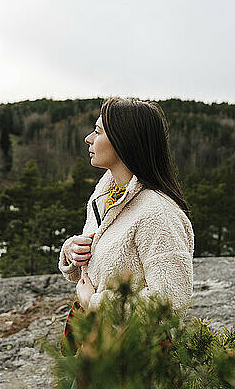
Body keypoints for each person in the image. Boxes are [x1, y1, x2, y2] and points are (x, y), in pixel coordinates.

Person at [58, 96, 195, 314]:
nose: (88, 138)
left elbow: (171, 301)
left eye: (98, 131)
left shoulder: (157, 212)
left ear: (123, 140)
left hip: (134, 347)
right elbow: (105, 265)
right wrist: (73, 251)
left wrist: (95, 303)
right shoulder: (104, 197)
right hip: (102, 343)